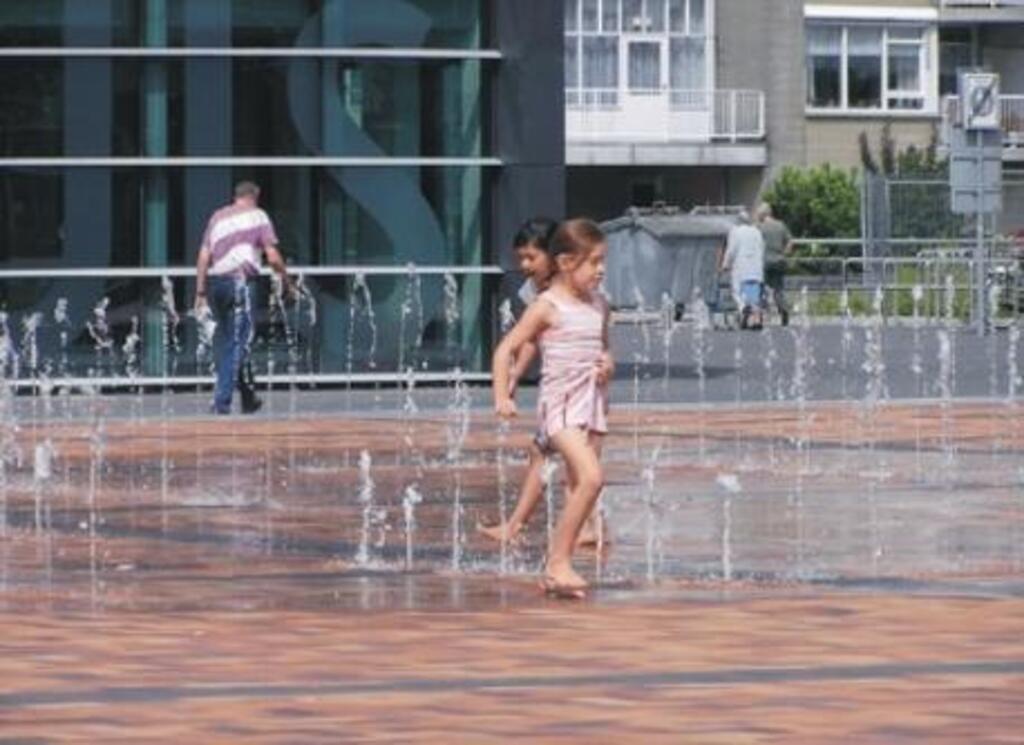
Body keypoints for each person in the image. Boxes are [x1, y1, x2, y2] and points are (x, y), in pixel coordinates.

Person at [492, 218, 612, 598]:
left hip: (592, 405)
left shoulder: (599, 305)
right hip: (560, 410)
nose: (601, 270)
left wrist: (607, 364)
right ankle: (557, 563)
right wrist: (502, 395)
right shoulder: (547, 307)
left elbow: (604, 348)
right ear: (565, 262)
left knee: (583, 482)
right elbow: (505, 349)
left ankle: (560, 563)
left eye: (602, 261)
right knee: (591, 478)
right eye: (594, 262)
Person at [194, 181, 293, 415]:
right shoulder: (258, 216)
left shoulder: (217, 217)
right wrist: (288, 282)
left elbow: (204, 255)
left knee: (233, 342)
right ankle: (221, 402)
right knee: (237, 343)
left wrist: (200, 292)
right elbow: (273, 257)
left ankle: (248, 397)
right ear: (254, 197)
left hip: (217, 285)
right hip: (240, 284)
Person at [720, 210, 766, 330]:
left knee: (737, 291)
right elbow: (762, 248)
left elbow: (731, 250)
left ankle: (744, 308)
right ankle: (756, 320)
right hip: (756, 267)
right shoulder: (757, 231)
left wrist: (725, 264)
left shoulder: (735, 231)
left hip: (741, 266)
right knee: (754, 294)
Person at [756, 202, 794, 326]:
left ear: (762, 214)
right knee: (779, 289)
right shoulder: (780, 225)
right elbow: (790, 242)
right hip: (779, 261)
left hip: (764, 262)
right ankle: (783, 309)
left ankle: (761, 315)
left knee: (761, 289)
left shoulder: (759, 227)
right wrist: (784, 253)